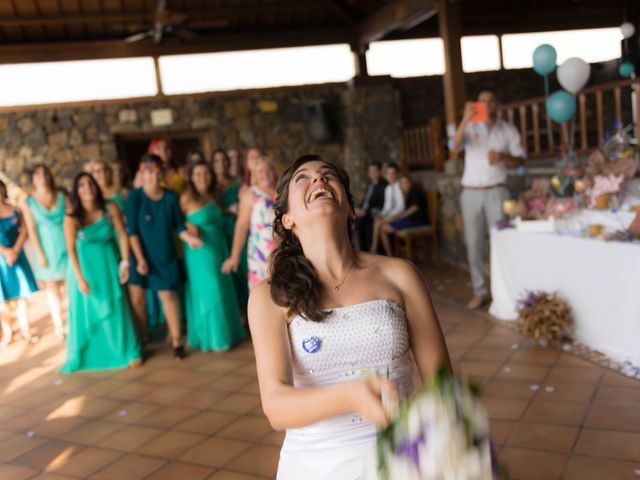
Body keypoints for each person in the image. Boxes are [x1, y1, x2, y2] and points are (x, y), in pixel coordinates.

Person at [248, 154, 450, 479]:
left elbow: (443, 386)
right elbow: (275, 406)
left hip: (401, 457)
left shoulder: (400, 275)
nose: (319, 179)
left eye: (328, 175)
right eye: (304, 177)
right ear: (287, 219)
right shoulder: (269, 296)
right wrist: (350, 395)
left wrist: (452, 444)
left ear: (350, 208)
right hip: (316, 463)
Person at [452, 90, 525, 309]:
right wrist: (465, 119)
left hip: (497, 190)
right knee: (473, 243)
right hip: (471, 191)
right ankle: (480, 290)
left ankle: (502, 291)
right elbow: (453, 149)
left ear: (498, 105)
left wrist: (503, 157)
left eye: (491, 101)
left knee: (501, 241)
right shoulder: (470, 127)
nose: (487, 105)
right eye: (482, 101)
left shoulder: (508, 130)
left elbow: (520, 161)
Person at [61, 173, 142, 372]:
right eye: (81, 185)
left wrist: (125, 263)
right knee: (90, 310)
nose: (87, 188)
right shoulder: (71, 217)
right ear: (76, 191)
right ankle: (92, 355)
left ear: (96, 186)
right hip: (84, 269)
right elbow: (70, 249)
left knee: (117, 306)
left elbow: (123, 235)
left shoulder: (110, 208)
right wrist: (80, 278)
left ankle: (128, 350)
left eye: (90, 183)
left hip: (108, 265)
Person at [125, 154, 202, 359]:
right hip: (140, 253)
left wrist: (190, 240)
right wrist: (140, 259)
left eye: (157, 173)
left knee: (168, 296)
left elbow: (178, 226)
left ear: (162, 174)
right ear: (142, 173)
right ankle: (140, 340)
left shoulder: (170, 198)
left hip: (164, 253)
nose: (153, 177)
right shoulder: (135, 197)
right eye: (149, 173)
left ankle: (177, 342)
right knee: (138, 299)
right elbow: (131, 231)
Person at [180, 160, 247, 351]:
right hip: (201, 250)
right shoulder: (186, 198)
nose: (203, 178)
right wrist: (188, 226)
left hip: (218, 245)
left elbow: (219, 215)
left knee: (223, 285)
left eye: (206, 174)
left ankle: (228, 332)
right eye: (198, 174)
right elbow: (176, 222)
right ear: (192, 177)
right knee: (211, 288)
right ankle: (215, 337)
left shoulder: (213, 195)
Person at [22, 164, 68, 340]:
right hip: (46, 247)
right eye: (38, 174)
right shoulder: (29, 203)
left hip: (65, 242)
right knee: (52, 289)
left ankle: (74, 319)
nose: (42, 177)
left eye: (45, 173)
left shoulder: (61, 196)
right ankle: (59, 325)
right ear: (33, 179)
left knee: (70, 286)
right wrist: (39, 253)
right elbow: (31, 229)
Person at [221, 158, 277, 290]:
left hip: (284, 250)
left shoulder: (284, 191)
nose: (265, 174)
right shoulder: (251, 194)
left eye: (268, 169)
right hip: (261, 252)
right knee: (262, 292)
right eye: (260, 171)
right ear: (255, 176)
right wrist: (234, 257)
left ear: (274, 171)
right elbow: (241, 225)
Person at [0, 180, 39, 347]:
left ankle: (26, 330)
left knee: (22, 295)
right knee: (3, 299)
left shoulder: (15, 209)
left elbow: (24, 229)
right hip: (1, 257)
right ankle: (8, 333)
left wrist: (15, 250)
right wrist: (6, 252)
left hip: (17, 254)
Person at [213, 148, 249, 308]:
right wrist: (225, 209)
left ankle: (247, 309)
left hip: (236, 228)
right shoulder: (210, 184)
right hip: (218, 232)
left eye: (223, 160)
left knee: (241, 268)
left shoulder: (237, 181)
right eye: (217, 160)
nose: (221, 163)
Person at [372, 174, 428, 256]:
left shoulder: (415, 191)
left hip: (417, 221)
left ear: (410, 183)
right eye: (402, 183)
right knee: (382, 227)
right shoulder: (408, 192)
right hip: (410, 219)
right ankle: (388, 254)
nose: (404, 185)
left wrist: (399, 217)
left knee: (383, 228)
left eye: (405, 183)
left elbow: (414, 208)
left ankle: (380, 251)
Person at [368, 163, 404, 254]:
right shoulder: (387, 188)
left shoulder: (400, 186)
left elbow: (401, 207)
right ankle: (389, 254)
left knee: (378, 223)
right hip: (391, 216)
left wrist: (388, 217)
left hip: (400, 215)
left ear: (397, 174)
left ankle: (374, 249)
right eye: (388, 173)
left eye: (393, 173)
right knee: (379, 222)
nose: (390, 176)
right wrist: (381, 215)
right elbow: (387, 207)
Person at [354, 162, 388, 251]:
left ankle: (364, 250)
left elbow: (381, 204)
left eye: (374, 171)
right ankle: (353, 247)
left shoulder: (384, 185)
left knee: (360, 222)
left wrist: (365, 211)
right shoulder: (370, 184)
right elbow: (365, 200)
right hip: (364, 210)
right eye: (370, 171)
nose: (372, 173)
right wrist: (359, 208)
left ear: (380, 171)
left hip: (374, 213)